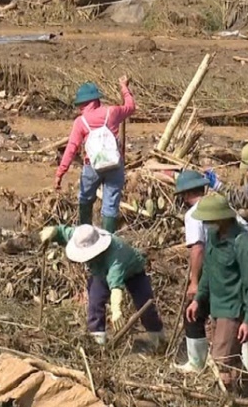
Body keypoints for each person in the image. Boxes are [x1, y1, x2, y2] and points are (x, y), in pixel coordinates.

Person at [171, 170, 248, 373]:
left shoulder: (195, 214)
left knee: (195, 312)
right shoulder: (221, 205)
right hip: (237, 268)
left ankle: (198, 363)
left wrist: (194, 281)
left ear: (185, 195)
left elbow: (198, 248)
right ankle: (238, 364)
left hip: (221, 271)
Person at [39, 223, 164, 348]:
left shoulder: (116, 257)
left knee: (145, 305)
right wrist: (51, 233)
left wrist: (116, 310)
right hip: (101, 270)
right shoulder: (82, 235)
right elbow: (61, 231)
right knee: (95, 299)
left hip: (134, 273)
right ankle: (98, 341)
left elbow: (115, 287)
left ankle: (158, 340)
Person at [187, 194, 248, 393]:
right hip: (216, 307)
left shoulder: (244, 244)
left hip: (232, 311)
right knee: (231, 361)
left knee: (220, 362)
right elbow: (209, 272)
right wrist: (198, 299)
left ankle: (225, 403)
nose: (205, 223)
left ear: (221, 218)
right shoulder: (213, 236)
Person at [54, 77, 136, 232]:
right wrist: (124, 88)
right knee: (110, 205)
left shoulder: (80, 122)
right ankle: (108, 242)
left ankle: (85, 236)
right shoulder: (112, 112)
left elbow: (72, 148)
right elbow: (131, 107)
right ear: (96, 100)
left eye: (80, 104)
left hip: (92, 166)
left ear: (84, 103)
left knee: (85, 199)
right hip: (115, 164)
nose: (79, 107)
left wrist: (60, 173)